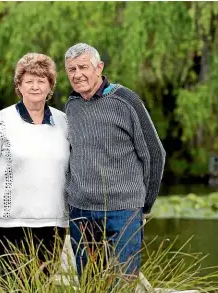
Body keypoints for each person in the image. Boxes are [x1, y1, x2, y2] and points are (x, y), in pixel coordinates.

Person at [63, 43, 166, 279]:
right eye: (71, 70)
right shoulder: (72, 105)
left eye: (83, 67)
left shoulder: (126, 100)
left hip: (123, 211)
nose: (77, 74)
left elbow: (154, 153)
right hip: (81, 212)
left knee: (123, 282)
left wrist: (144, 204)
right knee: (89, 283)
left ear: (99, 67)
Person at [0, 53, 70, 283]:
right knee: (16, 284)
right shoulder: (0, 123)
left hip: (53, 223)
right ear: (19, 86)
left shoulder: (64, 122)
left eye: (41, 81)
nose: (35, 87)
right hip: (11, 223)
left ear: (50, 86)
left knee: (43, 284)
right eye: (29, 81)